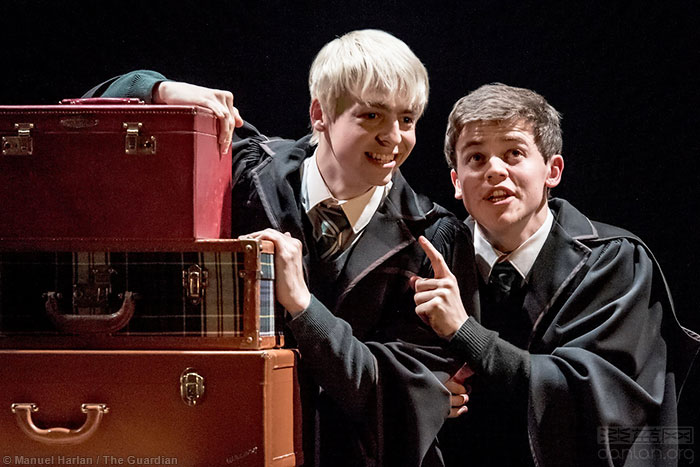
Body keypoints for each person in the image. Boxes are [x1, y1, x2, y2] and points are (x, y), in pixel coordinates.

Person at [84, 30, 478, 466]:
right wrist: (162, 92)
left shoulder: (434, 239)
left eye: (407, 119)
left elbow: (408, 402)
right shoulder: (244, 170)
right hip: (232, 448)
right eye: (371, 116)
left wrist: (305, 308)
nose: (393, 137)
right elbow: (87, 115)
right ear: (320, 114)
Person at [411, 83, 700, 466]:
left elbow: (599, 404)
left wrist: (465, 333)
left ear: (553, 170)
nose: (494, 170)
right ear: (456, 183)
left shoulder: (615, 262)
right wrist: (417, 389)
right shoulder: (428, 262)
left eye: (513, 153)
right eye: (476, 158)